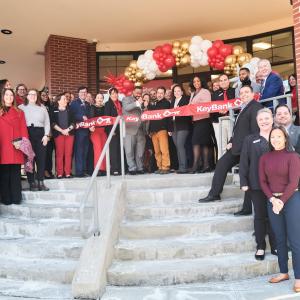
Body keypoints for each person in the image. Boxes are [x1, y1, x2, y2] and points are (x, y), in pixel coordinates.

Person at [199, 85, 263, 202]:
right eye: (241, 93)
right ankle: (215, 194)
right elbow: (239, 130)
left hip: (246, 149)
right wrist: (231, 141)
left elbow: (255, 131)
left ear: (253, 94)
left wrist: (248, 149)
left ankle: (247, 207)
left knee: (248, 176)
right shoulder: (244, 107)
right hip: (237, 147)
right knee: (221, 164)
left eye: (246, 92)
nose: (243, 95)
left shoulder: (255, 107)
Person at [259, 126, 300, 293]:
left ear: (285, 138)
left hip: (292, 200)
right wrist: (272, 199)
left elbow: (293, 182)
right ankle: (284, 272)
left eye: (279, 136)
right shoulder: (264, 158)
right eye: (272, 137)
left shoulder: (293, 156)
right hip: (273, 201)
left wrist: (281, 201)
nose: (275, 139)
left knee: (296, 240)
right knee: (279, 238)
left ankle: (299, 277)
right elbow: (262, 181)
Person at [239, 108, 276, 260]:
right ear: (257, 122)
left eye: (267, 118)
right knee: (260, 216)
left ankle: (276, 246)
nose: (264, 121)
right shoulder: (250, 139)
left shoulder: (279, 136)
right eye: (261, 119)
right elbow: (244, 162)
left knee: (275, 216)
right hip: (256, 184)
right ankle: (260, 246)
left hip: (276, 185)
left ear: (272, 119)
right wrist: (243, 181)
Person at [0, 88, 28, 204]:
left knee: (15, 174)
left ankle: (16, 198)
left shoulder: (20, 112)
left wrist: (21, 143)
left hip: (15, 146)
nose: (9, 97)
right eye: (7, 95)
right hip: (2, 146)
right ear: (3, 97)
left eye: (11, 95)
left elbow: (23, 129)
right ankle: (6, 199)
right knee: (4, 174)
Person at [19, 89, 50, 191]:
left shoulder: (43, 107)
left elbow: (47, 123)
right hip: (27, 134)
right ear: (27, 96)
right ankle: (32, 182)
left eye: (35, 94)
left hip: (41, 134)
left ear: (37, 96)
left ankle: (41, 182)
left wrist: (46, 135)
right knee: (29, 159)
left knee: (41, 159)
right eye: (31, 94)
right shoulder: (21, 107)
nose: (33, 96)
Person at [189, 76, 214, 173]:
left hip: (204, 120)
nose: (196, 83)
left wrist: (194, 107)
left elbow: (207, 105)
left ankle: (195, 165)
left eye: (198, 81)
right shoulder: (192, 93)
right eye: (194, 81)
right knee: (202, 143)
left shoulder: (205, 92)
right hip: (195, 121)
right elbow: (190, 107)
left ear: (201, 82)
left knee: (196, 142)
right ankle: (205, 165)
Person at [50, 93, 75, 178]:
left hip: (69, 134)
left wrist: (67, 130)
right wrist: (62, 131)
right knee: (59, 154)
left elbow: (73, 123)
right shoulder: (53, 110)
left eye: (66, 99)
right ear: (58, 101)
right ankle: (60, 173)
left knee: (68, 154)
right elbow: (52, 123)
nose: (66, 100)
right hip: (58, 134)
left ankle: (67, 173)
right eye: (64, 99)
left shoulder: (70, 110)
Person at [122, 86, 145, 175]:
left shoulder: (143, 101)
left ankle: (140, 167)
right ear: (133, 92)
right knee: (129, 150)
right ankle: (132, 168)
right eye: (137, 92)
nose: (138, 94)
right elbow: (127, 108)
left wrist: (144, 106)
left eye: (140, 92)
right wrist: (137, 103)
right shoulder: (126, 99)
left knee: (140, 150)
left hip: (140, 129)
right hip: (130, 129)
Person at [211, 74, 235, 158]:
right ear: (219, 83)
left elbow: (239, 105)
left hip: (232, 120)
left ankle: (234, 164)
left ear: (228, 81)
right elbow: (212, 109)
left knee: (233, 143)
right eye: (221, 80)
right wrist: (218, 110)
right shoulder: (214, 94)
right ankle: (222, 165)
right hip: (219, 121)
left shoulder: (235, 91)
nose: (223, 82)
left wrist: (230, 109)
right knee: (221, 144)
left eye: (225, 80)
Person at [148, 86, 171, 174]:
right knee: (157, 151)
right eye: (158, 93)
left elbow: (168, 118)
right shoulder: (153, 103)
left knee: (164, 150)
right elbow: (150, 118)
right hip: (153, 131)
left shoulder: (166, 103)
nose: (159, 95)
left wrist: (169, 129)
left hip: (162, 129)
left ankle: (166, 167)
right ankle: (160, 167)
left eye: (161, 93)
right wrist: (150, 130)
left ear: (164, 94)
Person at [70, 86, 91, 177]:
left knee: (85, 151)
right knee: (79, 151)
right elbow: (71, 115)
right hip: (78, 131)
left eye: (85, 92)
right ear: (78, 93)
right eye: (82, 92)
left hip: (87, 131)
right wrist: (80, 117)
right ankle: (79, 172)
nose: (83, 94)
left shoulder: (88, 104)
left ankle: (83, 170)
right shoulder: (74, 103)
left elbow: (90, 116)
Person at [169, 84, 191, 174]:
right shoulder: (172, 101)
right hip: (174, 126)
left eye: (178, 91)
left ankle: (184, 167)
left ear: (182, 91)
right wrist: (169, 129)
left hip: (183, 125)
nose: (176, 92)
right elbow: (170, 116)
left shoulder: (186, 99)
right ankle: (180, 166)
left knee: (180, 145)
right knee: (177, 146)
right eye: (175, 91)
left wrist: (180, 110)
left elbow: (188, 112)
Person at [104, 88, 122, 175]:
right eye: (112, 94)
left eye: (116, 93)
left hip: (121, 129)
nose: (114, 95)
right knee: (113, 150)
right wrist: (111, 130)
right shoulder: (107, 104)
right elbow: (107, 118)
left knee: (120, 149)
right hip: (113, 130)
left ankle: (120, 168)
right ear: (110, 95)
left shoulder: (121, 103)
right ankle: (114, 169)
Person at [89, 93, 107, 176]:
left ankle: (104, 169)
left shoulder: (105, 107)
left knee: (104, 149)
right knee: (98, 149)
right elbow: (91, 119)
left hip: (104, 131)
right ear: (95, 99)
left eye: (101, 98)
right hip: (95, 130)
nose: (99, 99)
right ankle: (98, 169)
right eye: (98, 98)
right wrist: (91, 126)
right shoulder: (92, 107)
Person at [41, 89, 55, 179]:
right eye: (42, 95)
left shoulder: (51, 106)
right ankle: (43, 171)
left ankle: (49, 170)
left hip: (51, 133)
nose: (45, 96)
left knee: (49, 153)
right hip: (42, 133)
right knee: (43, 154)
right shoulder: (39, 106)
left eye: (46, 95)